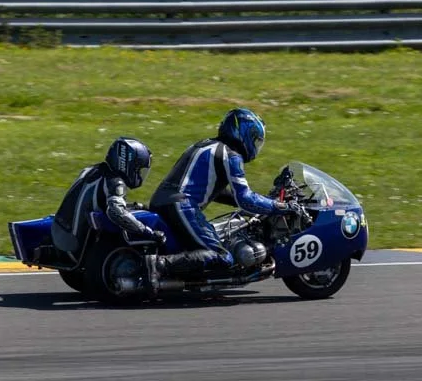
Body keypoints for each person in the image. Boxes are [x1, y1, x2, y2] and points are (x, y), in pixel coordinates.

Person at [147, 108, 300, 279]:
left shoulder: (204, 144)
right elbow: (245, 199)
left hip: (162, 201)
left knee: (194, 248)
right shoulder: (231, 155)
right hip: (182, 205)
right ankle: (159, 264)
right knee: (222, 256)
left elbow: (214, 191)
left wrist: (261, 201)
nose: (255, 146)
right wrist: (279, 206)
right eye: (255, 140)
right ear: (244, 133)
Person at [51, 137, 165, 262]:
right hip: (76, 249)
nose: (139, 175)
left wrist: (133, 206)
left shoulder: (91, 170)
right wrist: (148, 232)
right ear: (127, 165)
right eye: (138, 170)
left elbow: (100, 202)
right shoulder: (116, 183)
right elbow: (117, 213)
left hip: (59, 236)